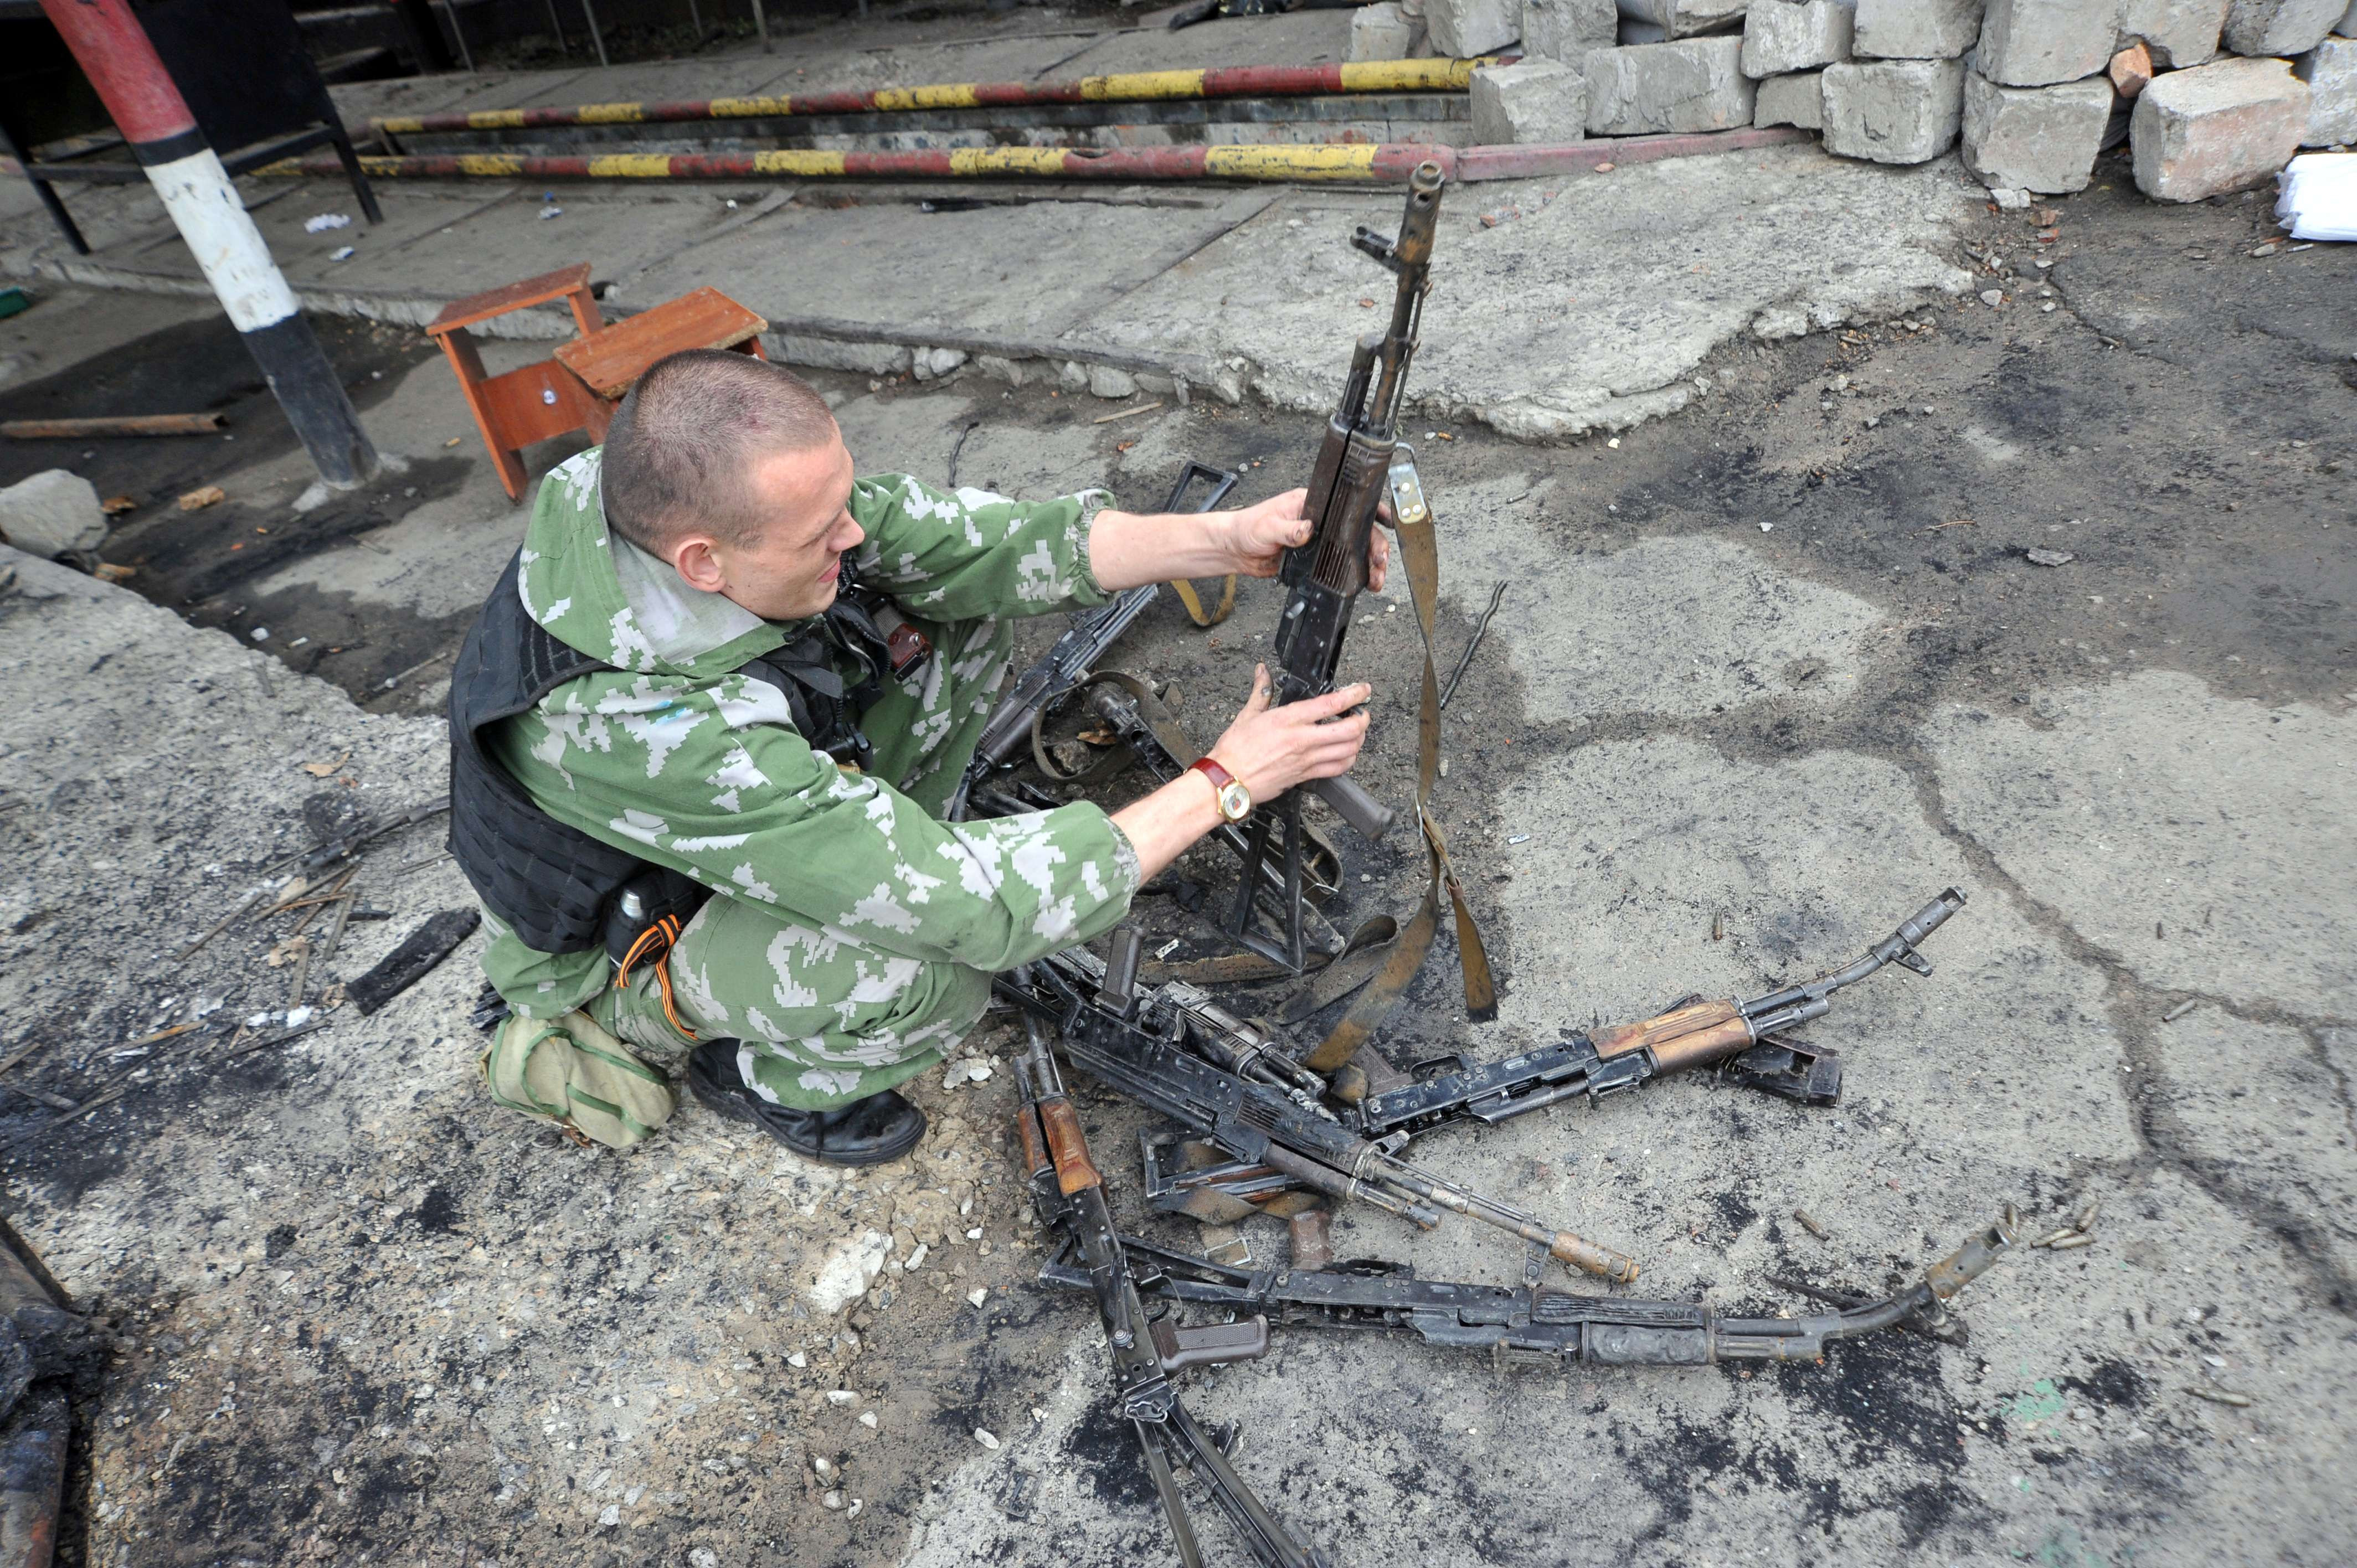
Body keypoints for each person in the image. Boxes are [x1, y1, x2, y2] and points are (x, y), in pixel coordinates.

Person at [447, 349, 1383, 1165]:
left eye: (844, 502)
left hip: (738, 833)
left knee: (950, 613)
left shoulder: (685, 497)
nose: (852, 535)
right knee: (933, 975)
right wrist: (1224, 784)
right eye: (821, 535)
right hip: (637, 944)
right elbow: (978, 912)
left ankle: (876, 852)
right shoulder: (637, 728)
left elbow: (981, 546)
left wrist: (1223, 540)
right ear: (702, 565)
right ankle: (767, 1078)